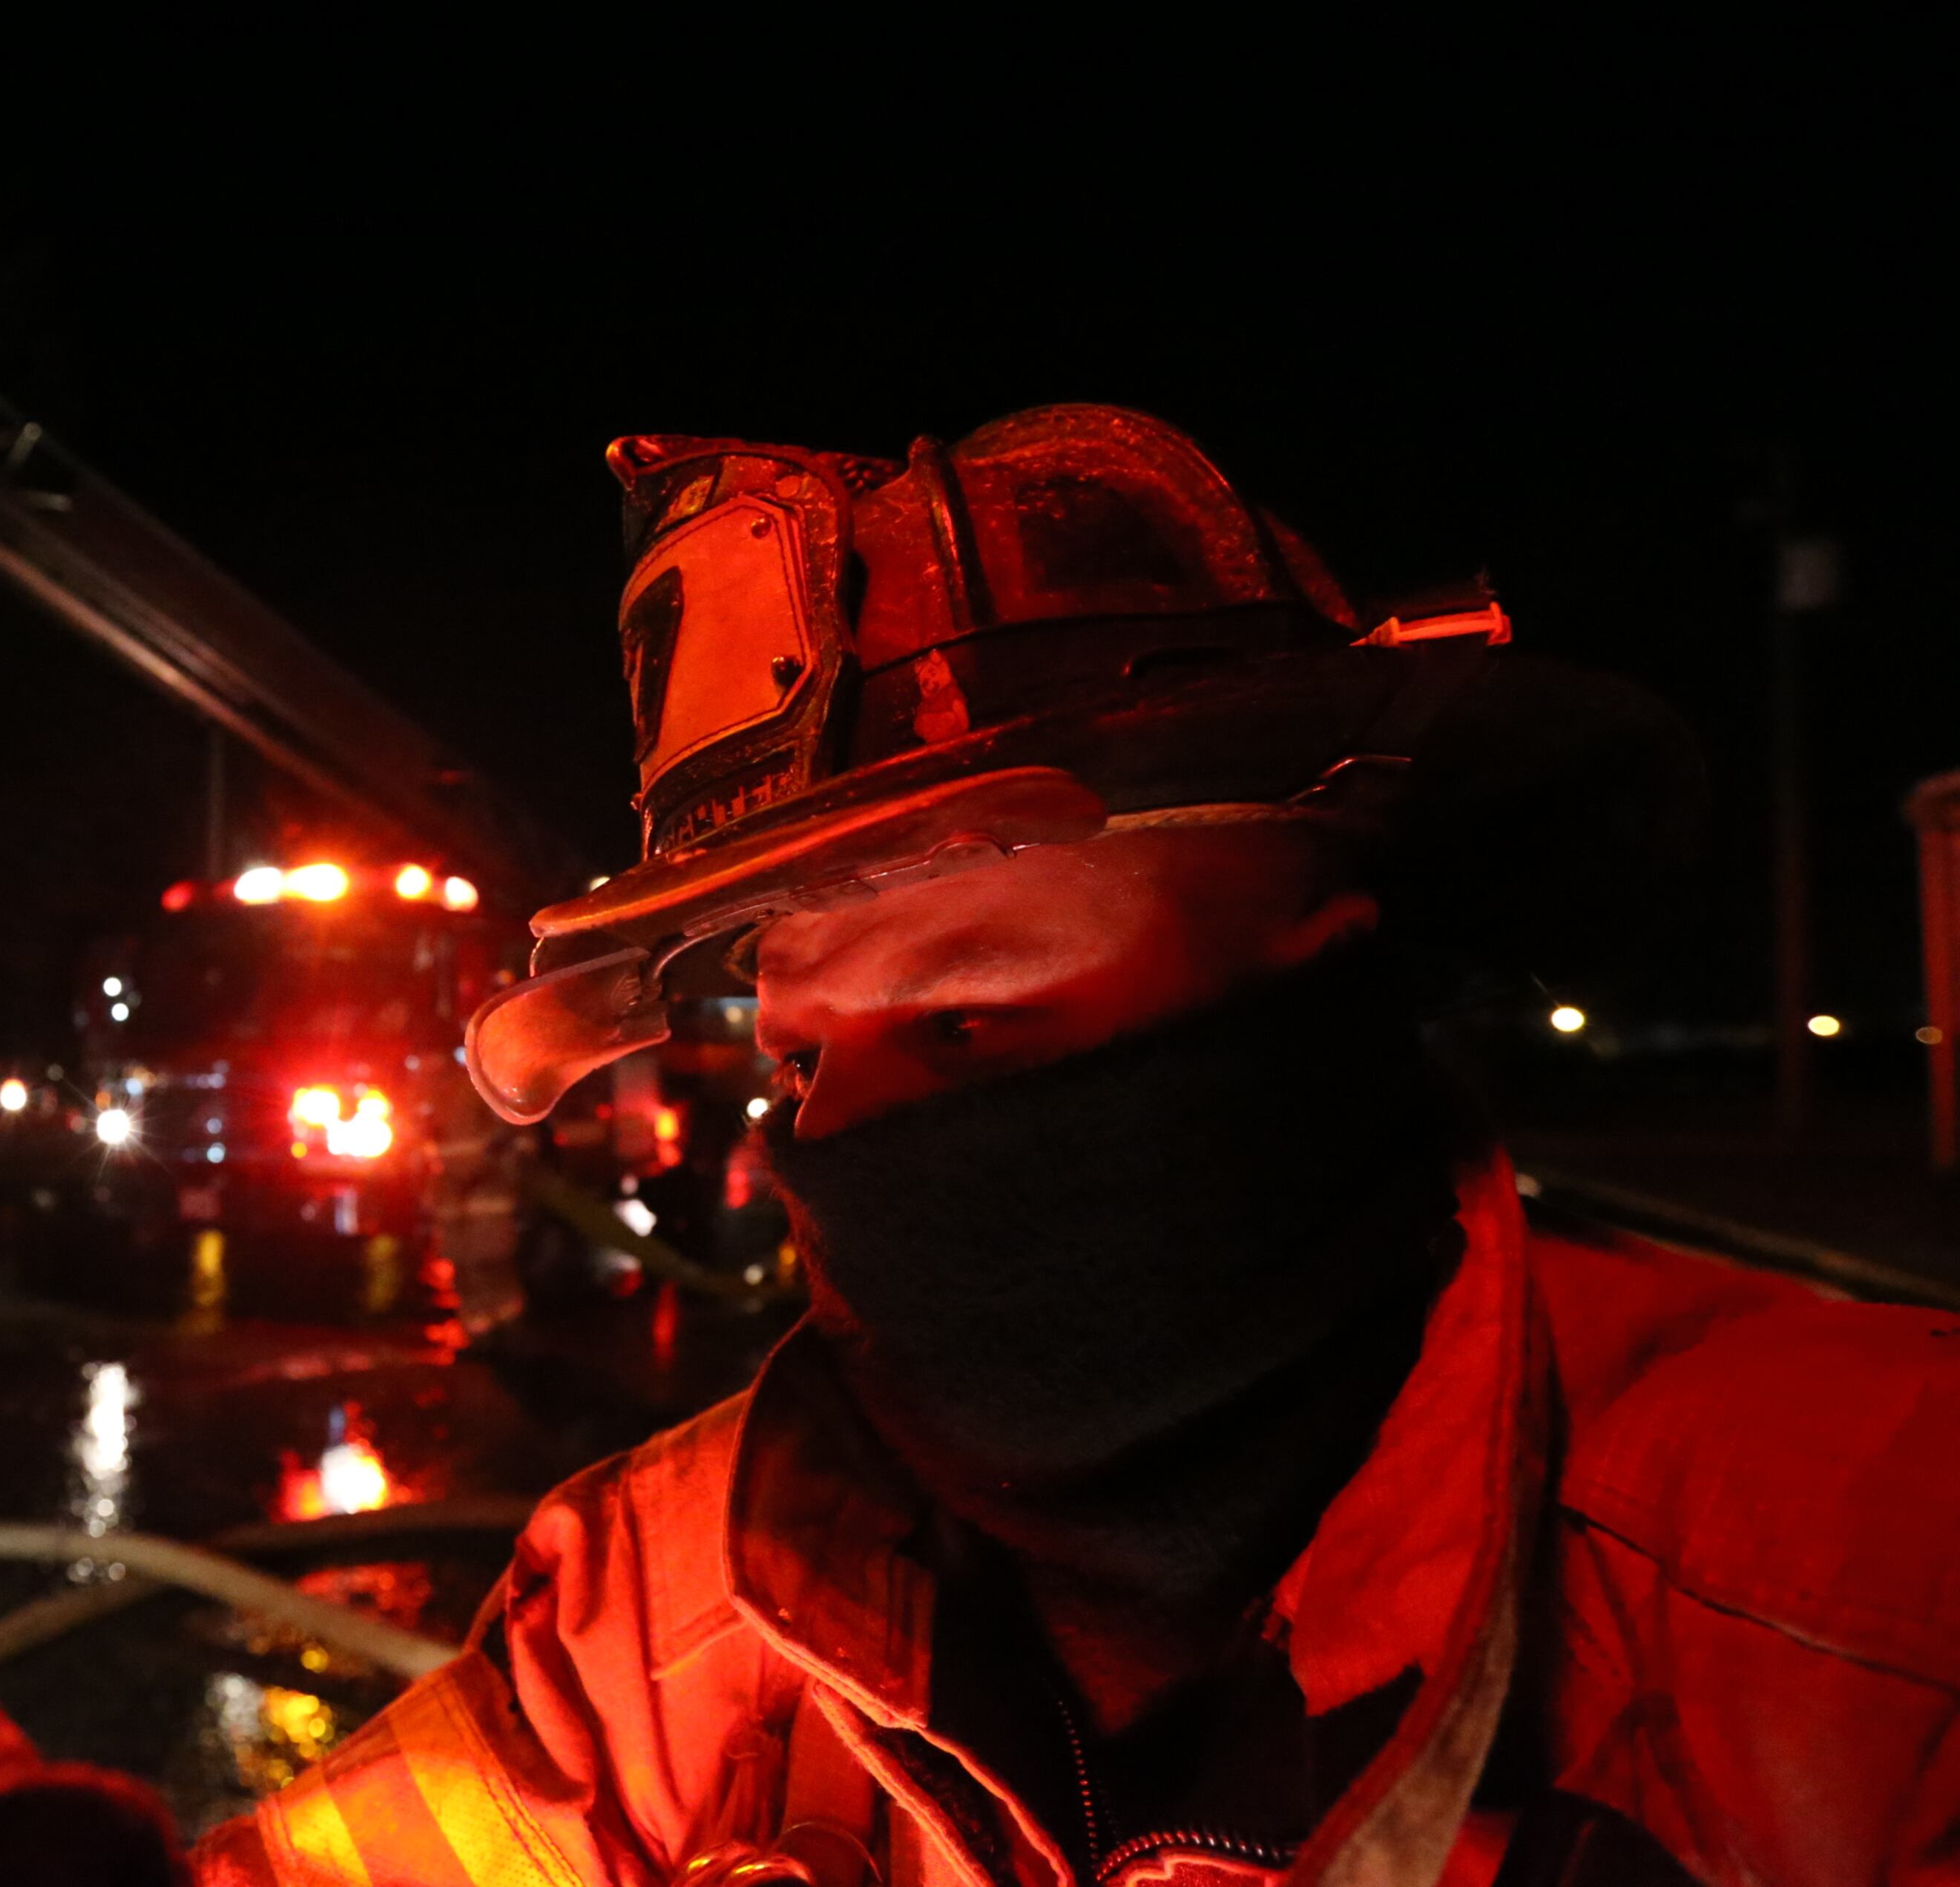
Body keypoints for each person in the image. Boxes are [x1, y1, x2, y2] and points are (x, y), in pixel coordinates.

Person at [194, 408, 1960, 1885]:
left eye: (971, 1014)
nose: (859, 1136)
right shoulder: (640, 1613)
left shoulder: (1878, 1560)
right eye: (804, 1049)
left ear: (1326, 958)